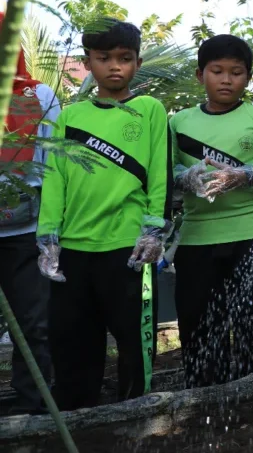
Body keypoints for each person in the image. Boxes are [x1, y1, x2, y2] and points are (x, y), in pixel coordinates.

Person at [36, 20, 170, 410]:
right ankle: (80, 423)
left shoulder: (149, 111)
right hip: (73, 252)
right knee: (72, 343)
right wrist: (48, 237)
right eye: (104, 58)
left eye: (124, 59)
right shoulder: (71, 117)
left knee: (134, 341)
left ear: (138, 62)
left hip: (128, 249)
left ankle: (138, 419)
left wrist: (153, 230)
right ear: (88, 62)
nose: (115, 66)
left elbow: (159, 175)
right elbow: (56, 178)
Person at [170, 35, 253, 388]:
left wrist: (245, 175)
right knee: (197, 324)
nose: (227, 80)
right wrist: (185, 178)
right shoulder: (178, 123)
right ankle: (203, 400)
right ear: (200, 75)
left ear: (248, 78)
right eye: (217, 71)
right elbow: (161, 175)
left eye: (237, 72)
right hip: (197, 237)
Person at [0, 42, 60, 415]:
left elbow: (54, 161)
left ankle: (33, 407)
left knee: (33, 324)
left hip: (27, 232)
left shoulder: (36, 95)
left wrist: (51, 232)